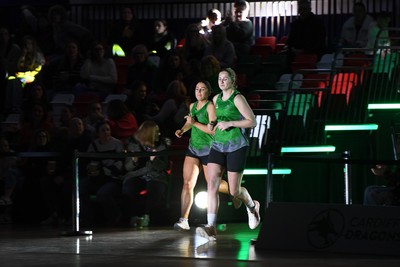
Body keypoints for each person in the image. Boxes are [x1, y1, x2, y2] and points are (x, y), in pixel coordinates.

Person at [195, 68, 260, 241]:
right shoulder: (215, 99)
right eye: (219, 79)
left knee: (234, 190)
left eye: (225, 78)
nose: (221, 81)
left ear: (232, 80)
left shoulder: (237, 98)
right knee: (212, 184)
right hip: (217, 145)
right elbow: (214, 121)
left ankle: (253, 206)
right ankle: (211, 227)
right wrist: (211, 125)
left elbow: (252, 122)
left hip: (236, 145)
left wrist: (231, 122)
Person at [173, 80, 241, 231]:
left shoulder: (210, 106)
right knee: (187, 183)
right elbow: (190, 123)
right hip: (193, 149)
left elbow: (213, 130)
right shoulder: (192, 106)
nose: (199, 92)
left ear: (208, 92)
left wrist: (194, 123)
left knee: (214, 185)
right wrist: (182, 130)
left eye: (202, 89)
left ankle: (235, 191)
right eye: (197, 89)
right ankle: (184, 220)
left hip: (210, 150)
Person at [123, 120, 171, 227]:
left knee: (155, 188)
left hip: (155, 176)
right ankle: (133, 216)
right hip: (137, 175)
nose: (159, 134)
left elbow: (164, 166)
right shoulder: (133, 145)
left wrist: (155, 160)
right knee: (130, 187)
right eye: (156, 131)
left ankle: (148, 216)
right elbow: (127, 167)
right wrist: (134, 161)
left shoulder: (162, 145)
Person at [79, 120, 125, 226]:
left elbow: (120, 165)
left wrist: (105, 169)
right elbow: (90, 163)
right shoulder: (93, 145)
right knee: (81, 187)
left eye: (108, 130)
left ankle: (115, 217)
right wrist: (92, 170)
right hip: (97, 178)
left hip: (113, 178)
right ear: (98, 133)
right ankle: (88, 218)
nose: (106, 132)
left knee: (103, 194)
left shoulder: (117, 144)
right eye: (103, 130)